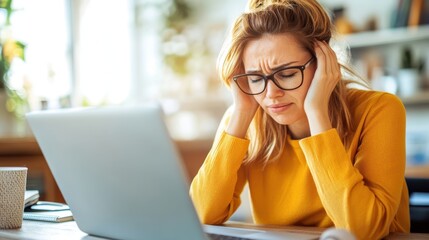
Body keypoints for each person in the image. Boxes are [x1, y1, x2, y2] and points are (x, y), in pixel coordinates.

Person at [189, 0, 410, 239]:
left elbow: (364, 230)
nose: (271, 94)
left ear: (324, 63)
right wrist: (241, 113)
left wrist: (317, 113)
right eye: (255, 78)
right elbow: (199, 215)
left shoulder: (379, 109)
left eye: (287, 74)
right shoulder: (245, 119)